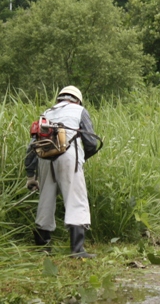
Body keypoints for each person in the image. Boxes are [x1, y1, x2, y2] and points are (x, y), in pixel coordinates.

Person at [25, 85, 99, 258]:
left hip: (45, 157)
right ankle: (77, 249)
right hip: (69, 156)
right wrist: (81, 158)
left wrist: (30, 176)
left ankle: (43, 247)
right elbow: (91, 142)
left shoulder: (47, 113)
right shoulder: (79, 110)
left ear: (59, 99)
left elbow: (32, 147)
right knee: (76, 199)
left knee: (46, 199)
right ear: (78, 99)